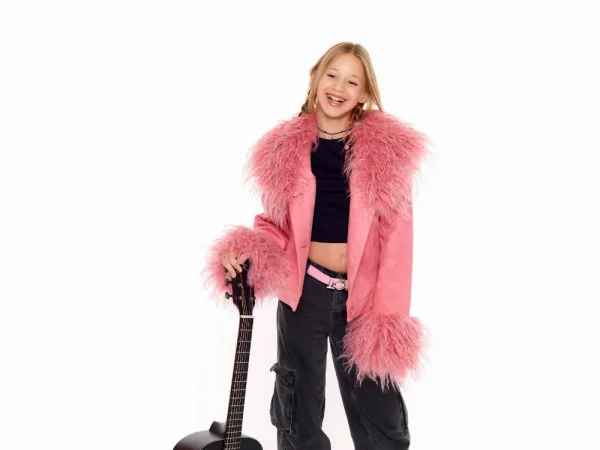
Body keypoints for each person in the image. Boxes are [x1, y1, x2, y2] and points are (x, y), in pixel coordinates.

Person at [203, 42, 429, 450]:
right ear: (315, 77)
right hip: (304, 294)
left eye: (352, 82)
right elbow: (276, 225)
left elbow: (398, 245)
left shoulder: (386, 152)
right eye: (332, 75)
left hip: (364, 300)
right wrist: (247, 250)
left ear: (365, 93)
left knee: (379, 414)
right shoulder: (283, 149)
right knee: (296, 409)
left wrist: (387, 316)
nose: (339, 87)